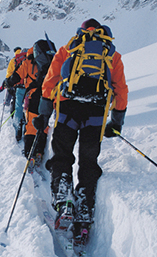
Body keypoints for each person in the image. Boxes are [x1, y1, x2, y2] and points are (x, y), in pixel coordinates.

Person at [33, 18, 128, 245]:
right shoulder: (111, 54)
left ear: (82, 30)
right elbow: (121, 89)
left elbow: (50, 80)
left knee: (62, 155)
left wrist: (44, 114)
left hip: (67, 109)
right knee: (88, 160)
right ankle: (84, 209)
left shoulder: (69, 48)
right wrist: (116, 122)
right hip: (96, 112)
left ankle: (63, 199)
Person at [6, 39, 56, 161]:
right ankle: (39, 151)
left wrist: (8, 83)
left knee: (31, 125)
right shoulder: (51, 60)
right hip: (48, 96)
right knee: (43, 124)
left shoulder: (28, 62)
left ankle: (29, 153)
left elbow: (17, 76)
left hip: (33, 96)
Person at [0, 47, 27, 141]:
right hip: (29, 86)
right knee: (28, 105)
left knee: (17, 106)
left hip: (17, 86)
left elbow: (8, 76)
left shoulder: (14, 60)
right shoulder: (27, 57)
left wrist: (2, 88)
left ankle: (17, 130)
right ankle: (28, 126)